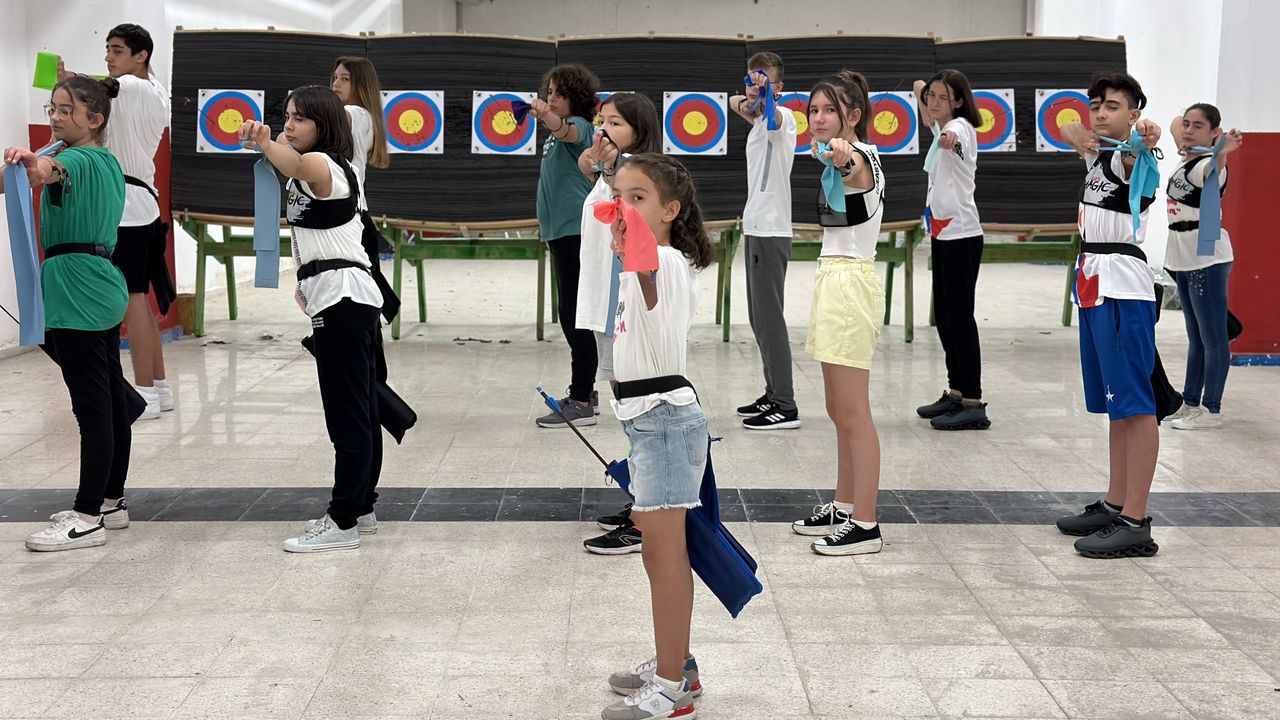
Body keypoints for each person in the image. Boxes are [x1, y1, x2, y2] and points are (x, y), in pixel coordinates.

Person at [239, 86, 384, 553]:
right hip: (343, 297)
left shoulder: (323, 164)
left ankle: (342, 520)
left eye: (300, 118)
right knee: (361, 408)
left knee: (348, 415)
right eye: (287, 116)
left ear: (324, 124)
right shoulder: (324, 164)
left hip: (343, 297)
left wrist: (266, 142)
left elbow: (297, 165)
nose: (289, 124)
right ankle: (360, 509)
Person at [4, 76, 144, 552]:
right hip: (90, 285)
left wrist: (35, 163)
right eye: (53, 108)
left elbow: (47, 171)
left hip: (80, 290)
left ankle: (87, 517)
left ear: (95, 119)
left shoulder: (81, 159)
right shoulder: (97, 158)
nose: (56, 117)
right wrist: (29, 163)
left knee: (93, 407)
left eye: (67, 111)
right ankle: (110, 502)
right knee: (109, 399)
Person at [599, 153, 714, 720]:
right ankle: (678, 662)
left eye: (638, 198)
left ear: (671, 210)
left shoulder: (662, 261)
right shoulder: (641, 263)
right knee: (657, 552)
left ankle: (673, 688)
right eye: (619, 196)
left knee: (665, 557)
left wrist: (628, 238)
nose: (623, 207)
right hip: (648, 421)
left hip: (665, 421)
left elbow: (646, 265)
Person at [1054, 72, 1164, 559]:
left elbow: (1141, 148)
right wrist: (1081, 135)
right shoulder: (1098, 153)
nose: (1100, 113)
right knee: (1117, 404)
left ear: (1134, 114)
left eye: (1113, 106)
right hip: (1095, 282)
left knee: (1136, 405)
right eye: (1095, 104)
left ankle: (1136, 521)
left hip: (1122, 287)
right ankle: (1116, 503)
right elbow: (1067, 127)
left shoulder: (1130, 156)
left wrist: (1143, 137)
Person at [788, 71, 887, 556]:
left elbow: (854, 167)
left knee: (853, 412)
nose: (819, 118)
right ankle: (845, 505)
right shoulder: (835, 155)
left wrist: (843, 156)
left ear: (854, 116)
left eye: (830, 110)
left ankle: (866, 523)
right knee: (836, 408)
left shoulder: (860, 156)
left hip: (849, 285)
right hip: (835, 279)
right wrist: (833, 155)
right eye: (814, 110)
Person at [61, 24, 173, 419]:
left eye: (118, 50)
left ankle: (145, 395)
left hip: (128, 207)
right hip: (141, 204)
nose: (109, 56)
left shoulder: (131, 86)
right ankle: (159, 387)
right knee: (138, 296)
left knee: (131, 298)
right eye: (107, 48)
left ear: (141, 56)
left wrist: (69, 81)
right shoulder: (155, 89)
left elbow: (103, 88)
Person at [573, 92, 661, 556]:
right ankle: (642, 503)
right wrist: (601, 166)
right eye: (601, 121)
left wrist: (607, 170)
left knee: (638, 410)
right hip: (605, 306)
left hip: (623, 307)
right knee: (628, 410)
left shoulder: (637, 175)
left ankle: (647, 518)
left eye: (615, 124)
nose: (603, 131)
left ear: (639, 131)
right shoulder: (616, 171)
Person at [912, 69, 991, 431]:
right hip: (944, 235)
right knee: (945, 317)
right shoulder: (939, 122)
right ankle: (956, 392)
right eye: (932, 96)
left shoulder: (960, 128)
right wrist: (929, 96)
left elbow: (951, 136)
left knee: (959, 318)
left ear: (959, 102)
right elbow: (920, 89)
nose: (933, 102)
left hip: (962, 236)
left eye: (943, 97)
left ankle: (973, 401)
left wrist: (945, 131)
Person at [730, 51, 801, 430]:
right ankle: (773, 392)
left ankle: (785, 404)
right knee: (758, 318)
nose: (755, 87)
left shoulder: (783, 117)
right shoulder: (758, 120)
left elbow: (773, 115)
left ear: (780, 87)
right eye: (751, 79)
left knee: (770, 319)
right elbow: (734, 102)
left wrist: (765, 97)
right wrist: (751, 96)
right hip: (757, 227)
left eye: (765, 80)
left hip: (771, 229)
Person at [1163, 103, 1243, 431]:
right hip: (1183, 257)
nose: (1187, 129)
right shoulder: (1188, 157)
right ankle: (1191, 402)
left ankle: (1212, 410)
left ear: (1214, 133)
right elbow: (1174, 124)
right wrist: (1188, 138)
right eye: (1187, 124)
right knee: (1195, 338)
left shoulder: (1208, 165)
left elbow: (1215, 168)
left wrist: (1220, 150)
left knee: (1213, 338)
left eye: (1198, 126)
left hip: (1206, 259)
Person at [531, 63, 601, 428]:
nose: (552, 98)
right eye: (549, 92)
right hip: (561, 232)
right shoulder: (555, 133)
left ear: (577, 97)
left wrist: (548, 115)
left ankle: (581, 400)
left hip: (575, 231)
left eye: (560, 93)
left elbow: (567, 131)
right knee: (572, 313)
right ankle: (586, 391)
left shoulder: (581, 127)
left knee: (576, 317)